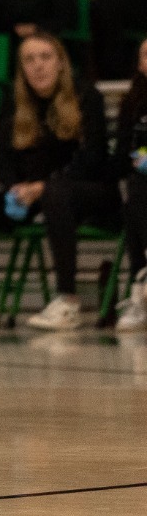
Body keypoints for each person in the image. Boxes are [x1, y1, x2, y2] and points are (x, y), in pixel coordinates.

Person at [0, 33, 117, 331]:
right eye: (29, 60)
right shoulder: (13, 100)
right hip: (30, 194)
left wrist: (44, 186)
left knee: (55, 193)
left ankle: (68, 301)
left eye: (46, 57)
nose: (38, 66)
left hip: (86, 192)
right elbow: (4, 156)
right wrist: (14, 187)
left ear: (61, 63)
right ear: (21, 68)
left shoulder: (87, 96)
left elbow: (93, 157)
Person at [105, 37, 147, 331]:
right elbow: (120, 156)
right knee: (136, 190)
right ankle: (141, 285)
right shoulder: (132, 103)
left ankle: (140, 281)